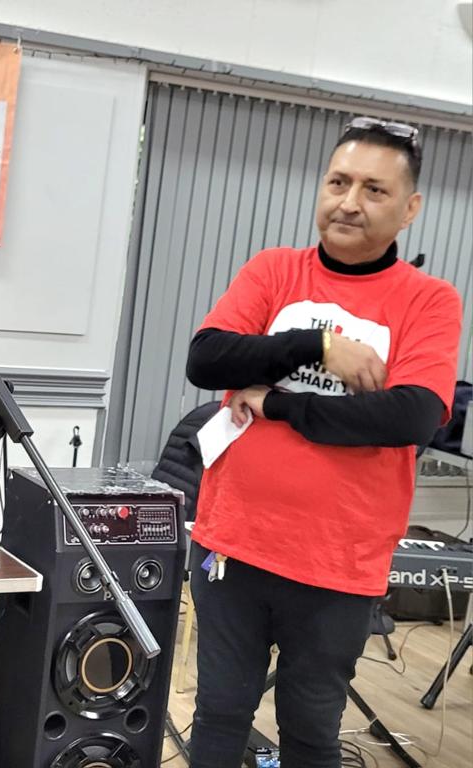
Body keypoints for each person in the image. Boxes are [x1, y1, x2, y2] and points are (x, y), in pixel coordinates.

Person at [184, 117, 463, 767]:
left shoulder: (428, 301)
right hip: (234, 548)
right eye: (338, 182)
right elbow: (209, 358)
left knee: (311, 730)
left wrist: (277, 402)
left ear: (409, 209)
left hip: (338, 564)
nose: (349, 202)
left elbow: (411, 416)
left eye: (374, 189)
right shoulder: (275, 272)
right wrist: (319, 345)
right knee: (220, 714)